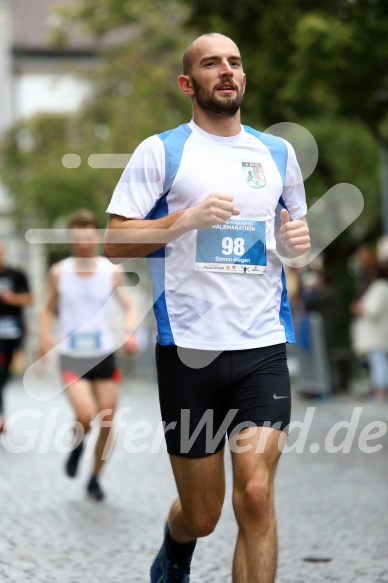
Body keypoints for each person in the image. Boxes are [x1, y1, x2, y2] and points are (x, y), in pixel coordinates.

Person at [104, 33, 310, 583]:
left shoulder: (278, 154)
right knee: (203, 514)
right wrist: (182, 221)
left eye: (235, 62)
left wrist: (296, 246)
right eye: (211, 63)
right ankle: (176, 547)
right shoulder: (162, 151)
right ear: (187, 82)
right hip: (190, 352)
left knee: (258, 495)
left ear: (244, 77)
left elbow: (290, 241)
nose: (226, 70)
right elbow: (114, 241)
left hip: (261, 347)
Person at [39, 209, 138, 501]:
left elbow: (129, 306)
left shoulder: (111, 271)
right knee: (84, 415)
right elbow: (47, 309)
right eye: (77, 237)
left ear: (95, 237)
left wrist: (129, 330)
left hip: (104, 353)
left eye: (88, 237)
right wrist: (45, 335)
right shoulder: (59, 272)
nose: (83, 243)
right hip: (72, 355)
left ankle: (95, 478)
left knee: (107, 421)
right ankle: (77, 445)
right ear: (72, 239)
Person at [0, 241, 34, 432]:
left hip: (14, 332)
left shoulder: (16, 274)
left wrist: (13, 299)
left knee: (8, 373)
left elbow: (30, 298)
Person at [350, 236, 388, 401]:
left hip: (376, 334)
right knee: (376, 362)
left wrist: (359, 308)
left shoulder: (380, 287)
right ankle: (378, 389)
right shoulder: (371, 284)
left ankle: (380, 390)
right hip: (374, 334)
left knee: (378, 361)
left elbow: (371, 310)